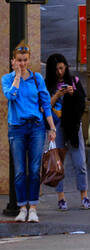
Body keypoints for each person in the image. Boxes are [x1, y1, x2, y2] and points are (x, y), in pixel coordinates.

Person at [2, 42, 56, 223]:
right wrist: (17, 76)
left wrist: (52, 127)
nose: (23, 63)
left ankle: (33, 207)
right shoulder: (7, 79)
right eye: (19, 60)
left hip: (36, 127)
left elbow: (46, 104)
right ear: (13, 61)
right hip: (17, 128)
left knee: (34, 169)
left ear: (29, 60)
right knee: (19, 170)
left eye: (25, 60)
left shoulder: (36, 78)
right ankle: (22, 207)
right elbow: (10, 96)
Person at [44, 53, 90, 211]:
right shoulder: (47, 85)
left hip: (73, 126)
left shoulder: (74, 81)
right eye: (56, 69)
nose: (59, 72)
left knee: (80, 162)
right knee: (58, 164)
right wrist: (57, 95)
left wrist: (73, 92)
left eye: (62, 68)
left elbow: (82, 102)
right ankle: (61, 197)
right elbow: (44, 107)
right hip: (55, 127)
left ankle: (84, 196)